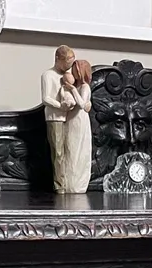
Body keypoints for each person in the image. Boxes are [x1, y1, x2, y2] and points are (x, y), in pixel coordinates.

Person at [41, 46, 77, 191]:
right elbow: (45, 98)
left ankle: (69, 183)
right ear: (58, 59)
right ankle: (60, 186)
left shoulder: (67, 75)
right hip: (55, 117)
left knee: (69, 151)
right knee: (58, 153)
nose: (69, 67)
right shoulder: (48, 75)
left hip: (69, 117)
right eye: (67, 63)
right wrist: (60, 106)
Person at [60, 59, 94, 193]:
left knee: (78, 150)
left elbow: (81, 104)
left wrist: (73, 89)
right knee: (70, 149)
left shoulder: (84, 87)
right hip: (71, 120)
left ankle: (77, 184)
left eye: (75, 70)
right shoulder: (77, 86)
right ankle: (68, 182)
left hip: (79, 120)